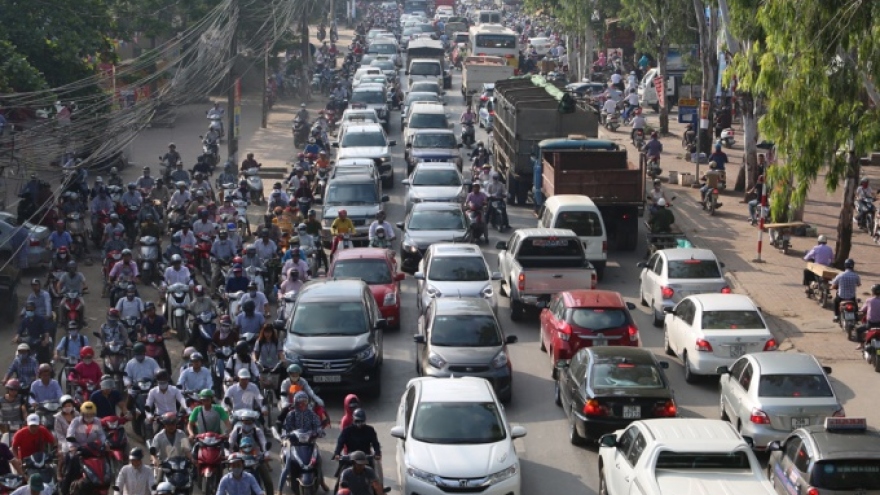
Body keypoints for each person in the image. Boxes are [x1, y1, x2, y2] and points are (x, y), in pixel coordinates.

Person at [277, 391, 326, 492]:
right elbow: (285, 428)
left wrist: (319, 432)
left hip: (309, 441)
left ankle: (322, 482)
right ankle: (279, 490)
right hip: (294, 442)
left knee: (318, 460)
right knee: (288, 462)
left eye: (305, 402)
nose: (303, 405)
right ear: (296, 403)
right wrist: (285, 435)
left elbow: (317, 425)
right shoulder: (291, 414)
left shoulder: (311, 414)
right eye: (300, 403)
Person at [150, 411, 192, 480]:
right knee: (157, 484)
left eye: (173, 424)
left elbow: (187, 450)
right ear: (164, 425)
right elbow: (153, 453)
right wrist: (155, 460)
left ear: (176, 424)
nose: (171, 426)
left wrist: (192, 459)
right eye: (168, 424)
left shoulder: (181, 434)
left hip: (180, 466)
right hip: (164, 467)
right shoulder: (158, 436)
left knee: (188, 481)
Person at [140, 302, 172, 370]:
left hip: (158, 341)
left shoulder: (161, 318)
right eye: (148, 311)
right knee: (139, 354)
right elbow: (140, 330)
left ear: (154, 309)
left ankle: (169, 374)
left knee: (166, 358)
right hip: (148, 341)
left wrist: (164, 336)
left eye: (151, 310)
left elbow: (167, 329)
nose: (149, 312)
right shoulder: (144, 320)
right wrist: (141, 337)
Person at [53, 395, 78, 477]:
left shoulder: (77, 414)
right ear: (62, 407)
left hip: (77, 439)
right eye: (65, 406)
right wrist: (66, 444)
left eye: (69, 405)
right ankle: (59, 472)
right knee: (63, 454)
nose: (68, 407)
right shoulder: (58, 417)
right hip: (63, 440)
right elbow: (59, 433)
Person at [831, 258, 861, 323]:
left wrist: (832, 287)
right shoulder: (856, 275)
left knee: (836, 301)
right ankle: (856, 316)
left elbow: (833, 285)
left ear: (845, 265)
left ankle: (836, 316)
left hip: (841, 297)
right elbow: (859, 284)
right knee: (855, 306)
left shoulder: (840, 275)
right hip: (851, 297)